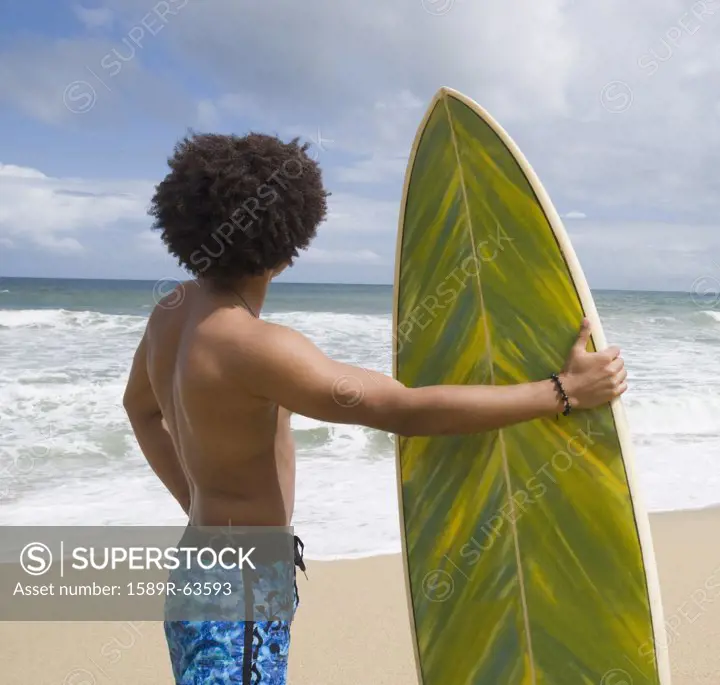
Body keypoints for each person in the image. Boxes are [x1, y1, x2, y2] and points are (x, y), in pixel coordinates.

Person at [122, 132, 629, 684]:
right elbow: (403, 411)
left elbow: (140, 410)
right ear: (288, 247)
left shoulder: (170, 312)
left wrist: (197, 501)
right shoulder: (254, 346)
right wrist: (562, 392)